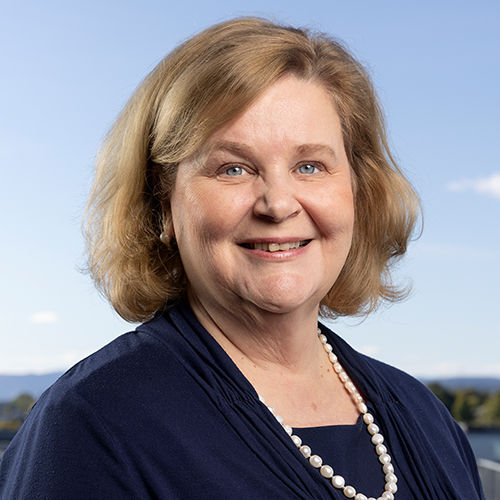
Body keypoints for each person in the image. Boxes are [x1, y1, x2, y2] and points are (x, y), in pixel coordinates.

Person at [0, 17, 484, 500]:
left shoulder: (423, 416)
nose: (278, 204)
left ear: (357, 190)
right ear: (162, 202)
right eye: (233, 168)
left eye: (310, 165)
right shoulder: (93, 425)